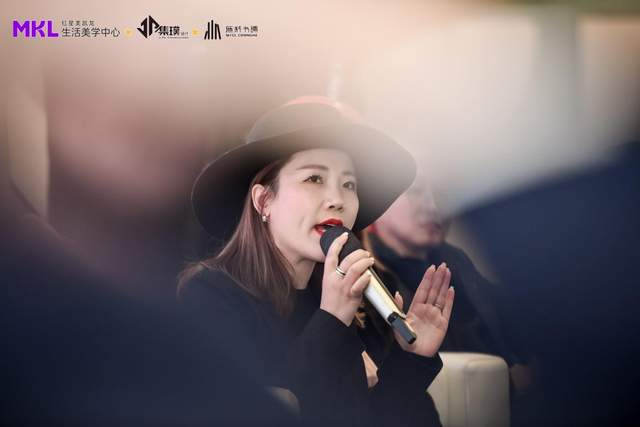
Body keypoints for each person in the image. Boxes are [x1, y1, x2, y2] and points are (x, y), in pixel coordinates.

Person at [178, 97, 455, 427]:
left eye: (349, 184)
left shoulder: (366, 296)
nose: (337, 200)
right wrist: (332, 319)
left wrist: (412, 358)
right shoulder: (212, 295)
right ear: (264, 200)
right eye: (314, 179)